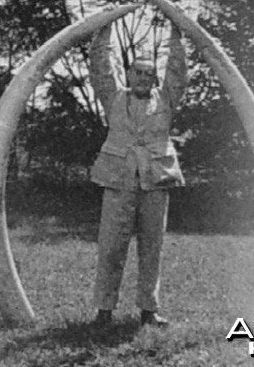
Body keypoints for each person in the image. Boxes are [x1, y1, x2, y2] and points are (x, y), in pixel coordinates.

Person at [88, 22, 188, 327]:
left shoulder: (167, 99)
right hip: (118, 180)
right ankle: (104, 311)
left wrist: (176, 33)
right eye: (139, 72)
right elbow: (100, 67)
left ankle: (149, 310)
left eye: (149, 73)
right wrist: (103, 30)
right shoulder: (113, 97)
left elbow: (178, 71)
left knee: (152, 246)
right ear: (129, 75)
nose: (144, 77)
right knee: (110, 247)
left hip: (155, 181)